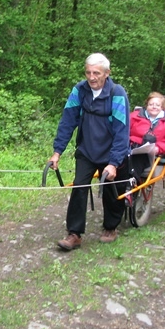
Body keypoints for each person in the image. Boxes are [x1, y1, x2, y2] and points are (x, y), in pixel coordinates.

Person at [49, 53, 130, 249]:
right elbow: (68, 121)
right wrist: (57, 151)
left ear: (107, 73)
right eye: (88, 72)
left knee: (112, 189)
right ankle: (74, 233)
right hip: (87, 149)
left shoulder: (117, 93)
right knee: (79, 187)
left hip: (111, 151)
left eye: (96, 73)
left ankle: (111, 226)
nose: (92, 77)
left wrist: (113, 162)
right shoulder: (79, 90)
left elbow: (122, 130)